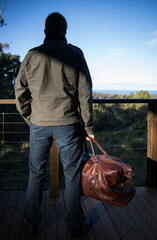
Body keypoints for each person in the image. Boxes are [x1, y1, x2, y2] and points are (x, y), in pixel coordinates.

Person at [15, 12, 94, 239]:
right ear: (65, 30)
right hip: (68, 124)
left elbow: (19, 90)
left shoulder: (32, 55)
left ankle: (31, 223)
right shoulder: (75, 54)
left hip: (39, 123)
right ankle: (74, 226)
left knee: (35, 174)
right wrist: (88, 127)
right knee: (72, 177)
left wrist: (28, 116)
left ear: (45, 31)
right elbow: (85, 93)